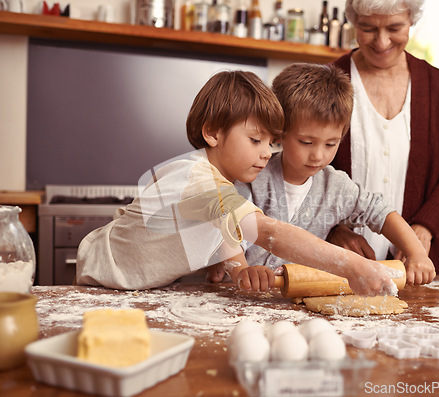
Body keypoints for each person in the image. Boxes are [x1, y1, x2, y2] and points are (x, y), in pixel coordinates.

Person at [76, 70, 396, 296]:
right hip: (103, 280)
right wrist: (352, 266)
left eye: (271, 142)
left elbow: (227, 227)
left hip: (136, 288)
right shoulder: (195, 179)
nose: (265, 153)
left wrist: (237, 269)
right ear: (213, 133)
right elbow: (267, 232)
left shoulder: (222, 187)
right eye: (255, 139)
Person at [227, 63, 434, 285]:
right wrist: (242, 269)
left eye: (330, 144)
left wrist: (417, 253)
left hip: (301, 305)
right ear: (280, 132)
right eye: (306, 142)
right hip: (246, 300)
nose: (317, 155)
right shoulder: (252, 178)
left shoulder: (336, 187)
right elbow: (228, 231)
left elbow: (381, 213)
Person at [327, 0, 439, 276]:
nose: (381, 42)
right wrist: (333, 229)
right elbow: (299, 172)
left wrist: (425, 227)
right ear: (354, 22)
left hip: (416, 269)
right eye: (368, 28)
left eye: (394, 27)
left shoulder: (438, 87)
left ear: (411, 21)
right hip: (337, 268)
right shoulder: (326, 82)